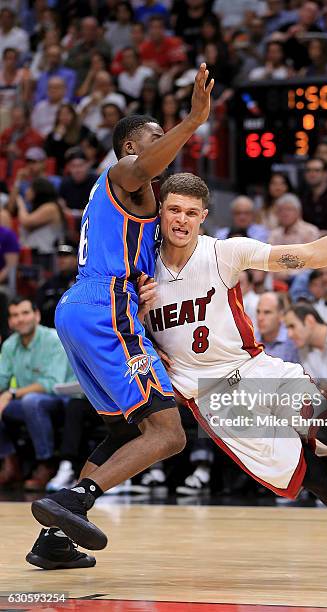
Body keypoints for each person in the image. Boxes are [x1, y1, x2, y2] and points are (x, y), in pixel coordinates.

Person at [141, 174, 327, 574]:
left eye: (191, 212)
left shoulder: (225, 253)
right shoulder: (139, 269)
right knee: (314, 478)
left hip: (252, 368)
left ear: (204, 216)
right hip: (212, 398)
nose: (181, 220)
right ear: (161, 212)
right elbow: (121, 329)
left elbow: (307, 254)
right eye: (173, 210)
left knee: (326, 417)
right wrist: (145, 336)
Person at [27, 64, 214, 570]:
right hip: (104, 308)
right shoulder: (122, 175)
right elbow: (148, 165)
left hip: (84, 309)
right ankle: (76, 500)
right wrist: (193, 119)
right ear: (132, 148)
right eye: (155, 139)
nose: (164, 146)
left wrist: (142, 284)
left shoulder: (135, 205)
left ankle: (53, 538)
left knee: (128, 431)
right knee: (169, 434)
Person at [0, 298, 73, 491]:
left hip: (62, 401)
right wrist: (8, 394)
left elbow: (51, 383)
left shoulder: (53, 339)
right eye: (15, 315)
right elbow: (2, 380)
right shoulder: (9, 345)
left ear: (37, 315)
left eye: (25, 313)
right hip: (25, 403)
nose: (20, 319)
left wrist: (12, 394)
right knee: (25, 402)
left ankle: (46, 463)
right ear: (9, 321)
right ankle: (10, 460)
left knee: (32, 401)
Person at [256, 292, 299, 362]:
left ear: (281, 316)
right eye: (258, 312)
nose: (260, 318)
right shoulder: (250, 342)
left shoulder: (293, 340)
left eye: (267, 312)